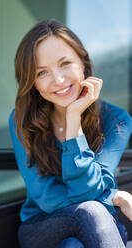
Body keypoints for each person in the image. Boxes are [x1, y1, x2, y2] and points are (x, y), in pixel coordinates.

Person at [9, 19, 132, 248]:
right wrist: (113, 197)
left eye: (65, 63)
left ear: (83, 63)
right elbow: (47, 199)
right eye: (42, 72)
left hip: (98, 227)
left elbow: (89, 189)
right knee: (92, 210)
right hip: (41, 227)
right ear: (32, 82)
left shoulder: (117, 122)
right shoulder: (21, 120)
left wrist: (73, 118)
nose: (58, 80)